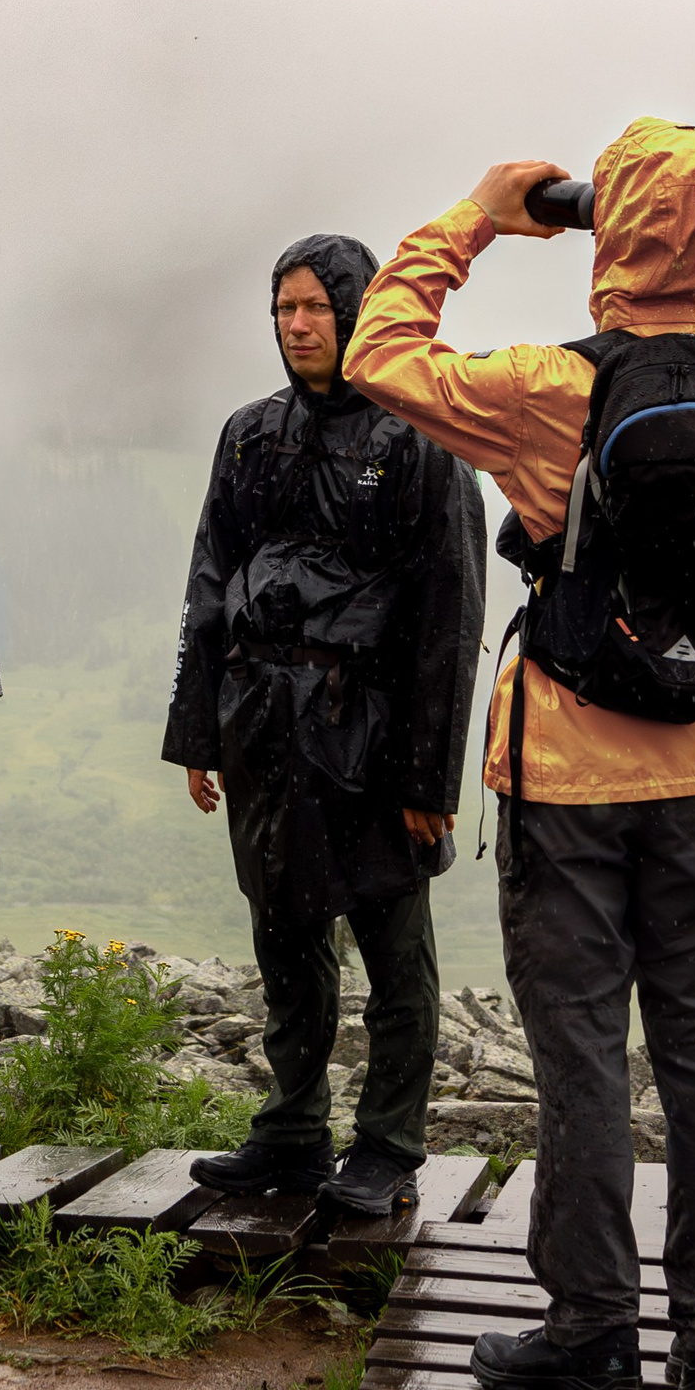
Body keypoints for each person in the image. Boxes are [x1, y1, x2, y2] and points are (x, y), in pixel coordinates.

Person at [342, 120, 695, 1390]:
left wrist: (481, 213)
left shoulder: (553, 386)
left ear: (606, 227)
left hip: (566, 784)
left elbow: (378, 354)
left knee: (580, 1065)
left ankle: (592, 1338)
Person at [161, 234, 486, 1219]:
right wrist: (197, 731)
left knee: (393, 948)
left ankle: (386, 1144)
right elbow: (209, 582)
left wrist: (428, 782)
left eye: (314, 307)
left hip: (371, 730)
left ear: (356, 309)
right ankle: (292, 1129)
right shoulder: (250, 435)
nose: (297, 325)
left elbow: (448, 617)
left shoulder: (416, 436)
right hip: (261, 721)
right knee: (284, 935)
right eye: (282, 310)